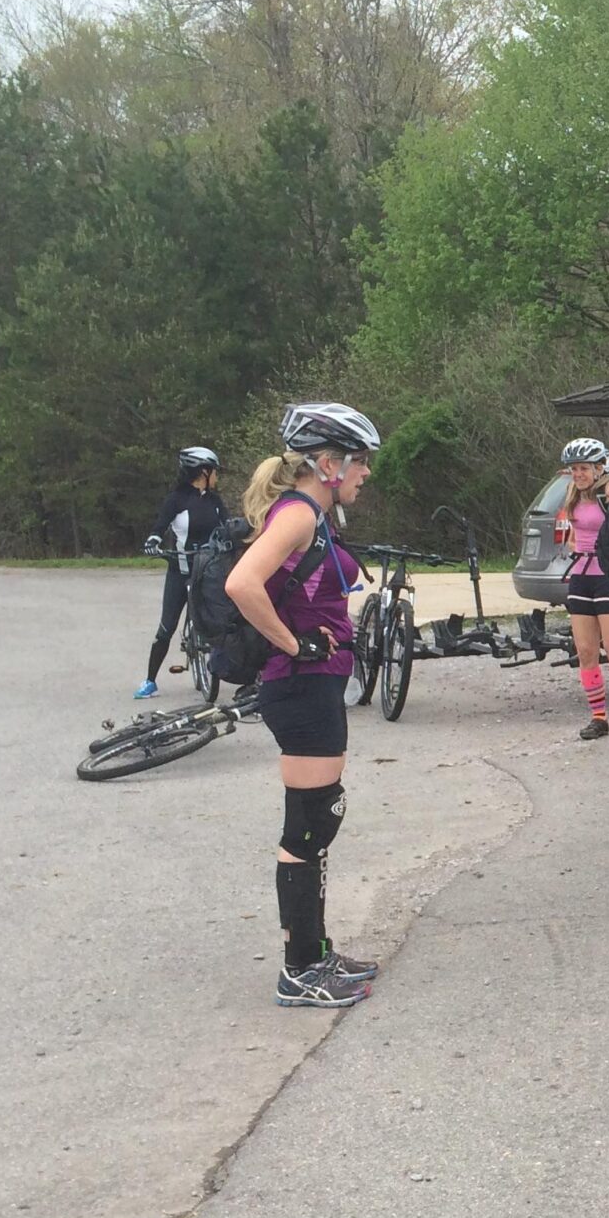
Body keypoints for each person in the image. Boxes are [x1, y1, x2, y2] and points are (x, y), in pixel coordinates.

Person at [225, 403, 382, 1011]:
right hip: (300, 681)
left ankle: (314, 951)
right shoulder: (296, 514)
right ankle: (299, 970)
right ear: (328, 463)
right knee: (312, 823)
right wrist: (295, 642)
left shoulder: (312, 514)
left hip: (316, 682)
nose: (366, 472)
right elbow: (243, 583)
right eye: (359, 460)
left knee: (320, 819)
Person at [552, 436, 609, 740]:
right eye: (573, 469)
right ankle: (598, 718)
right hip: (580, 574)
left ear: (598, 468)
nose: (577, 474)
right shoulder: (573, 495)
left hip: (608, 576)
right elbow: (573, 533)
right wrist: (572, 542)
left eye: (583, 468)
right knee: (586, 651)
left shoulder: (608, 490)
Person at [136, 446, 227, 697]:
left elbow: (227, 528)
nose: (217, 476)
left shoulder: (214, 501)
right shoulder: (176, 499)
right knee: (167, 626)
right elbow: (159, 527)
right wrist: (152, 542)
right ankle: (150, 681)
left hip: (208, 571)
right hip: (181, 569)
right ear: (203, 472)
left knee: (224, 620)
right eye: (214, 471)